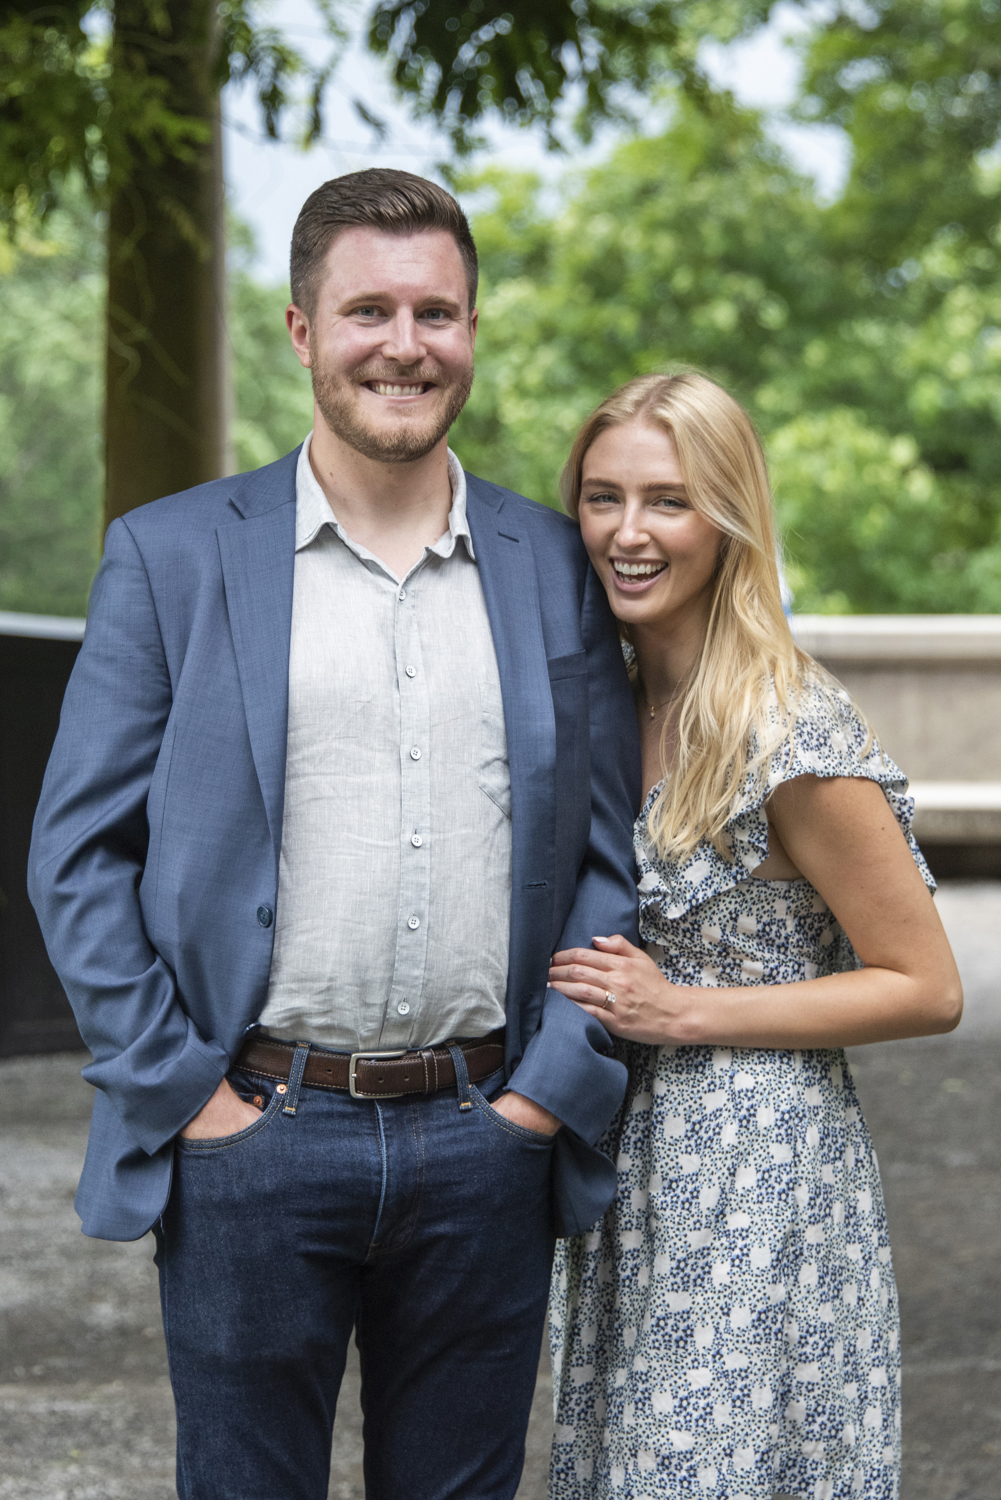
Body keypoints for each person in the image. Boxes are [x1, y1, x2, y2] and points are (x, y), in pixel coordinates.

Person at [27, 169, 642, 1500]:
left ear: (473, 329)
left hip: (489, 1134)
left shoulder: (551, 566)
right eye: (369, 310)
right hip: (254, 1133)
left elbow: (608, 853)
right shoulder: (172, 557)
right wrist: (187, 1094)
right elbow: (76, 853)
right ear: (304, 331)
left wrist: (550, 1086)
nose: (405, 344)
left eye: (437, 312)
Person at [545, 371, 962, 1500]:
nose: (627, 533)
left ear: (727, 520)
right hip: (628, 1167)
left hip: (758, 1176)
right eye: (600, 498)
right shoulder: (608, 701)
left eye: (666, 502)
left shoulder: (789, 728)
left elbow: (925, 986)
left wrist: (681, 1011)